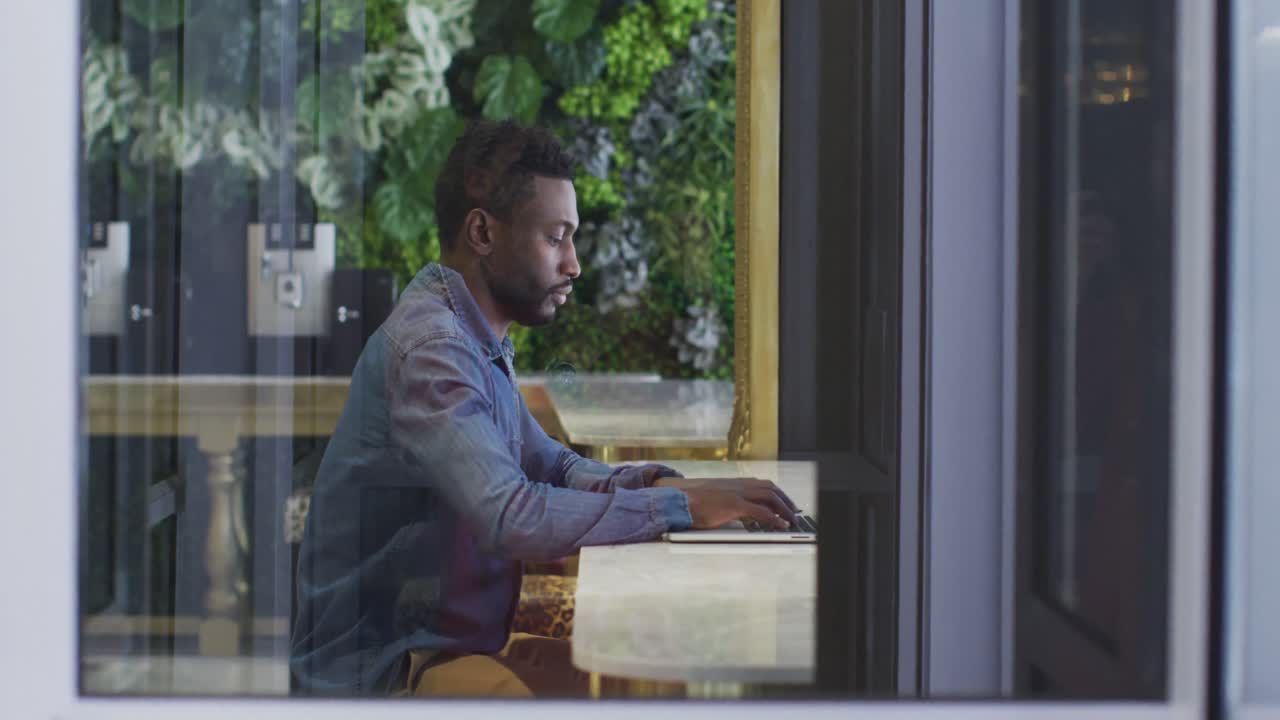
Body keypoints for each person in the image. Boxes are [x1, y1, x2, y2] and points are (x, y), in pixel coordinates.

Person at [290, 119, 797, 698]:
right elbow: (511, 515)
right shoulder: (435, 349)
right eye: (556, 238)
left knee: (658, 675)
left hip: (447, 647)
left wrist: (654, 482)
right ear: (482, 231)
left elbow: (549, 464)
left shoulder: (470, 333)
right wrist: (673, 507)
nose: (574, 264)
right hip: (383, 675)